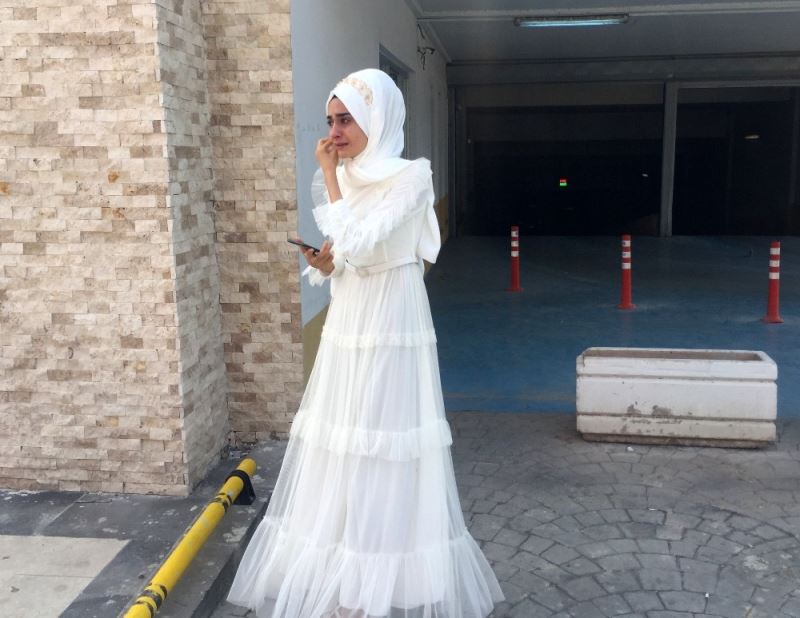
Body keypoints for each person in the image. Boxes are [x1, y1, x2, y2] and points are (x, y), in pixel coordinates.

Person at [226, 68, 504, 618]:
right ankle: (342, 578)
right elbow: (345, 253)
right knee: (344, 439)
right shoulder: (347, 176)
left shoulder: (410, 176)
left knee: (384, 438)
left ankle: (377, 582)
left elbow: (359, 236)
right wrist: (323, 264)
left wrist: (330, 179)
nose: (335, 132)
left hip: (392, 317)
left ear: (377, 118)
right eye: (331, 120)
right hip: (351, 317)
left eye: (346, 120)